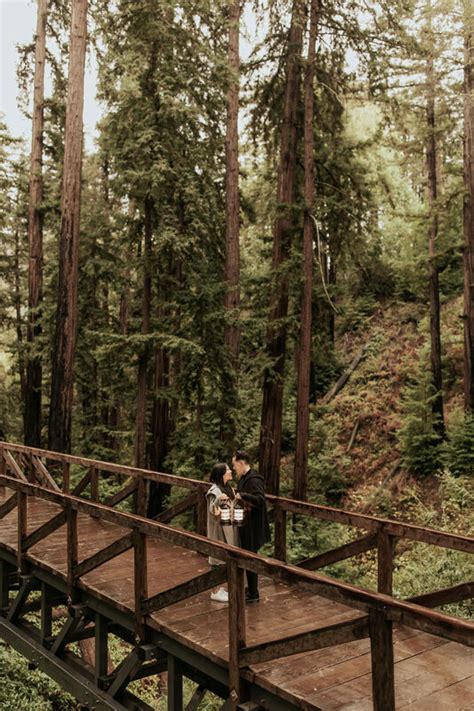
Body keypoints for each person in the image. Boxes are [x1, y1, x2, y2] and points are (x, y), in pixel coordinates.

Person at [232, 450, 270, 603]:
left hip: (253, 526)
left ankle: (254, 594)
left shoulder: (254, 479)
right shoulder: (244, 478)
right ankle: (252, 588)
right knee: (247, 556)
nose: (234, 468)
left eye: (235, 465)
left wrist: (243, 496)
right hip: (245, 524)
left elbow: (260, 500)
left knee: (251, 557)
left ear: (242, 464)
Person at [206, 462, 238, 603]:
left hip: (228, 527)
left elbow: (231, 506)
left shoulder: (229, 488)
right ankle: (214, 591)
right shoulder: (214, 491)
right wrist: (218, 501)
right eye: (228, 470)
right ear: (222, 474)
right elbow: (212, 510)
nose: (231, 471)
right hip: (218, 529)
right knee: (216, 559)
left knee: (226, 558)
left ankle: (220, 589)